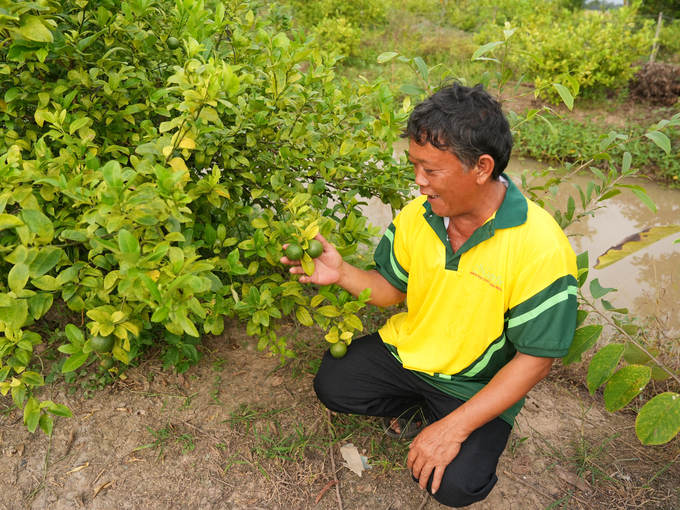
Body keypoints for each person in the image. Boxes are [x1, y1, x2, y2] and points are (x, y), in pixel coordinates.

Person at [281, 82, 578, 508]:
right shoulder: (417, 217)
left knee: (455, 486)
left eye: (431, 171)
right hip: (411, 355)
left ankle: (447, 416)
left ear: (481, 167)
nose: (419, 183)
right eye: (415, 166)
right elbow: (391, 291)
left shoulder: (541, 246)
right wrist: (343, 272)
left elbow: (536, 359)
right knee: (334, 383)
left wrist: (454, 428)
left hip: (477, 384)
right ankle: (421, 408)